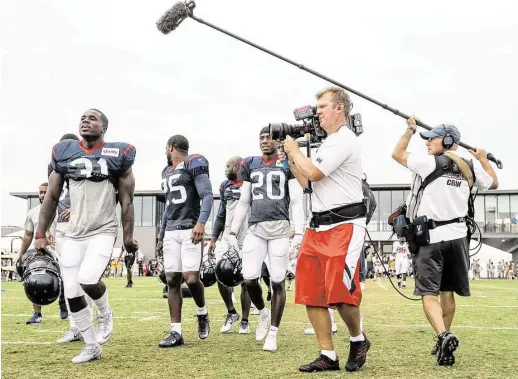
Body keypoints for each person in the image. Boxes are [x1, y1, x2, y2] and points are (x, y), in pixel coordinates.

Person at [35, 108, 138, 364]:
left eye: (92, 118)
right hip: (73, 232)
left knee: (88, 279)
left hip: (103, 229)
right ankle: (91, 346)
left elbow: (127, 201)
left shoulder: (118, 155)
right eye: (83, 117)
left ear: (103, 127)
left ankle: (104, 312)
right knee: (71, 291)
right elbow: (52, 196)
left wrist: (128, 237)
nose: (85, 120)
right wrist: (41, 233)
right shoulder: (65, 153)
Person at [392, 117, 497, 366]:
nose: (428, 143)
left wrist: (410, 129)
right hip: (459, 238)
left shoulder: (429, 163)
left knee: (429, 294)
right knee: (447, 292)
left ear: (448, 141)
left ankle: (442, 335)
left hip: (431, 238)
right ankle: (443, 340)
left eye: (432, 138)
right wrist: (482, 158)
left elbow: (397, 153)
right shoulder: (470, 165)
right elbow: (493, 183)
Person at [283, 86, 370, 372]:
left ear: (339, 109)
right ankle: (327, 354)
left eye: (322, 106)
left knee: (340, 293)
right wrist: (291, 160)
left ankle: (358, 339)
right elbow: (308, 183)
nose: (316, 111)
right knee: (312, 293)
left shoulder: (343, 139)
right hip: (317, 225)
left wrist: (295, 150)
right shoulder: (329, 143)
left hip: (344, 224)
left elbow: (315, 172)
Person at [228, 128, 304, 352]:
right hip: (256, 228)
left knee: (278, 279)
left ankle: (273, 332)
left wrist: (299, 231)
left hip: (280, 228)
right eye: (261, 138)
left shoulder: (287, 164)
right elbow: (244, 202)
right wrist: (232, 231)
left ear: (277, 141)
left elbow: (297, 201)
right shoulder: (251, 163)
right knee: (249, 277)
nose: (264, 141)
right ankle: (263, 312)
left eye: (268, 137)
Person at [156, 135, 213, 348]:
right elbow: (169, 206)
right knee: (172, 280)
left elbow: (207, 195)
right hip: (171, 229)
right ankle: (176, 332)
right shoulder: (166, 171)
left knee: (190, 278)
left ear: (171, 147)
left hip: (190, 227)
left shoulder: (193, 162)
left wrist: (201, 223)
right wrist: (161, 235)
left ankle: (202, 313)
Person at [50, 133, 95, 344]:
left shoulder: (88, 162)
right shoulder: (55, 165)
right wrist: (49, 227)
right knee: (69, 278)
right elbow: (52, 197)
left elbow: (96, 195)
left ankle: (86, 325)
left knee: (85, 277)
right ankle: (75, 327)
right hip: (63, 226)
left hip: (84, 225)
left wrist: (77, 210)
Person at [207, 156, 253, 334]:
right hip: (227, 237)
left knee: (247, 279)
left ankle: (245, 320)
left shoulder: (250, 184)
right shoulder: (224, 186)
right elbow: (220, 214)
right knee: (221, 274)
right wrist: (213, 238)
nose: (225, 169)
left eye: (227, 166)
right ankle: (231, 312)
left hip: (246, 236)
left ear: (236, 167)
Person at [17, 182, 65, 324]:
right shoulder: (32, 212)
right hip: (40, 251)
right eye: (41, 192)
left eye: (45, 192)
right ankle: (37, 314)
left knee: (68, 279)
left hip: (60, 249)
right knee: (34, 278)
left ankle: (63, 302)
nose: (43, 195)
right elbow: (27, 236)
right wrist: (21, 255)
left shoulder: (61, 209)